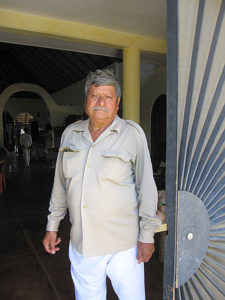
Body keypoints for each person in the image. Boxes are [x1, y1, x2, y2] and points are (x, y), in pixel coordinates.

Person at [43, 69, 161, 300]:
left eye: (108, 97)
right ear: (86, 100)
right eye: (95, 95)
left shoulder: (132, 134)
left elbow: (146, 188)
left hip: (124, 247)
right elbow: (60, 186)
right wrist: (52, 225)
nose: (101, 102)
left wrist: (147, 235)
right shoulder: (71, 134)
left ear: (117, 103)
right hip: (82, 244)